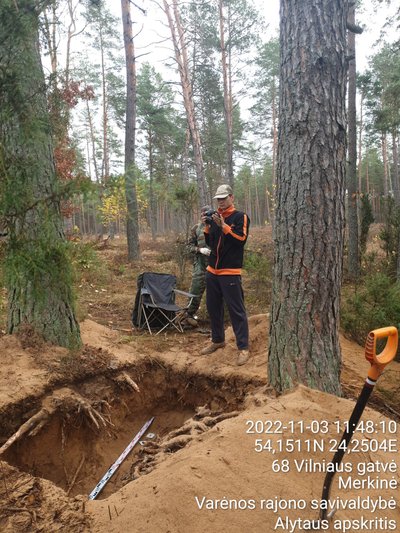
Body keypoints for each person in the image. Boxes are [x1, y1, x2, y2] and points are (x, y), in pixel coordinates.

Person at [201, 184, 250, 365]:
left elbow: (241, 240)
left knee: (236, 310)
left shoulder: (240, 217)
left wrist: (225, 227)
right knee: (213, 308)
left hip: (230, 271)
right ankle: (217, 340)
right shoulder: (215, 217)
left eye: (223, 198)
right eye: (218, 199)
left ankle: (243, 347)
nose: (221, 202)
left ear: (231, 197)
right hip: (212, 270)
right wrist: (207, 226)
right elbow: (211, 242)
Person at [184, 205, 211, 327]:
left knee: (218, 293)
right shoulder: (196, 228)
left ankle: (220, 317)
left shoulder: (217, 226)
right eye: (203, 214)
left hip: (216, 265)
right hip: (200, 265)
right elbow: (188, 247)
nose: (205, 216)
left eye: (207, 214)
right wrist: (199, 250)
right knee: (195, 290)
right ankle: (188, 315)